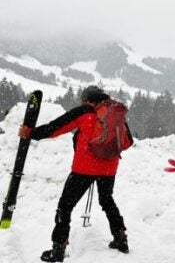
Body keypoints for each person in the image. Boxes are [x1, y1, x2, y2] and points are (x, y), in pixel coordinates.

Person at [18, 85, 132, 262]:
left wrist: (31, 133)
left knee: (65, 206)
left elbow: (55, 128)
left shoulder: (84, 111)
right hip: (109, 168)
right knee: (107, 200)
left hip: (84, 169)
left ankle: (58, 249)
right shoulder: (115, 114)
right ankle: (120, 238)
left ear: (87, 99)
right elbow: (127, 143)